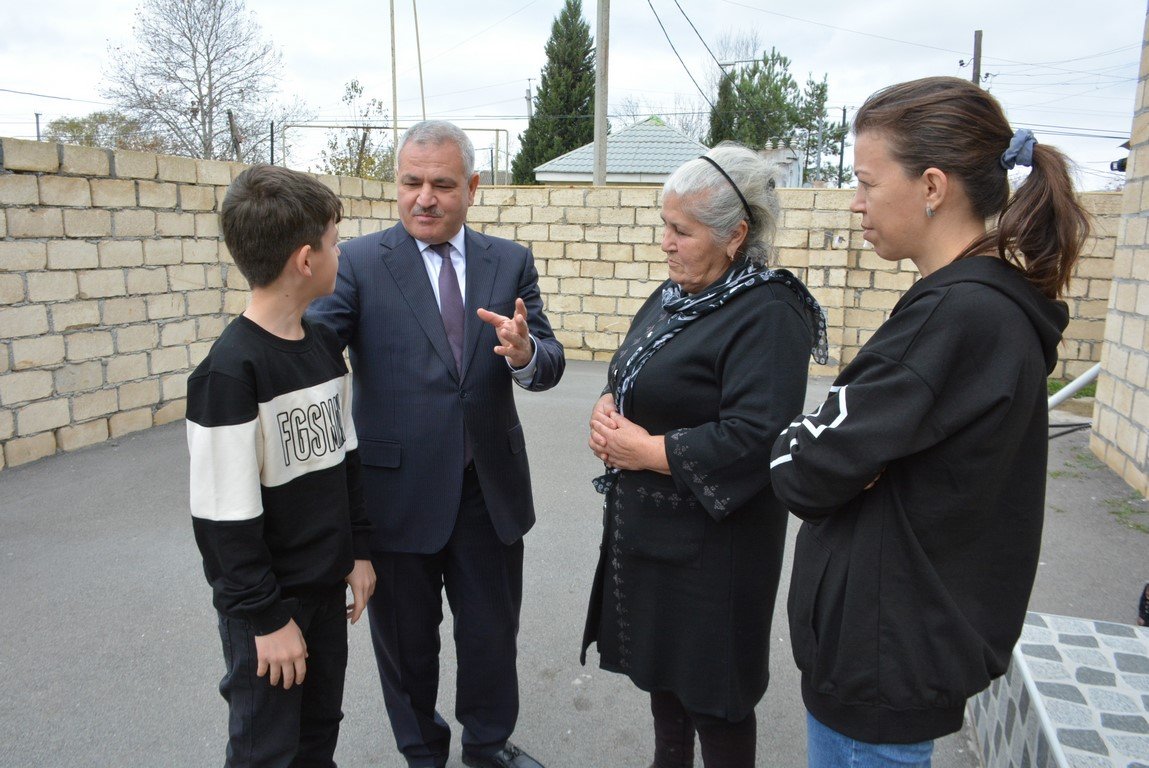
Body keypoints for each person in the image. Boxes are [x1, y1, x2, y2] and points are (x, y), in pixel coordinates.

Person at [769, 76, 1091, 767]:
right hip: (899, 646)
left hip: (880, 663)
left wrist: (802, 438)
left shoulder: (953, 318)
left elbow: (806, 471)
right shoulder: (984, 305)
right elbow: (854, 450)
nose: (854, 204)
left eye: (865, 181)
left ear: (932, 187)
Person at [307, 120, 564, 768]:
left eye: (442, 184)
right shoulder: (360, 263)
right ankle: (423, 753)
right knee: (407, 648)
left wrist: (525, 352)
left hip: (488, 495)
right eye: (411, 182)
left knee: (489, 641)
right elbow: (309, 349)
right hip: (396, 498)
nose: (424, 197)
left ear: (472, 187)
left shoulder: (509, 261)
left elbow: (550, 361)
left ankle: (485, 747)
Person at [582, 142, 829, 768]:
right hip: (655, 536)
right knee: (666, 686)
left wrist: (646, 449)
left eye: (680, 230)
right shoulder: (679, 294)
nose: (665, 242)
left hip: (716, 553)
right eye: (664, 225)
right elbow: (636, 370)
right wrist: (609, 408)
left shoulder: (770, 311)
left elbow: (758, 434)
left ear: (735, 234)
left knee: (715, 702)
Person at [187, 164, 377, 767]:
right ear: (304, 260)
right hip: (269, 612)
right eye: (332, 242)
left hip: (325, 594)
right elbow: (223, 524)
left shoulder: (323, 347)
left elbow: (345, 460)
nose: (338, 253)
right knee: (267, 751)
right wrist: (267, 620)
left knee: (318, 739)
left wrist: (359, 551)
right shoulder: (229, 374)